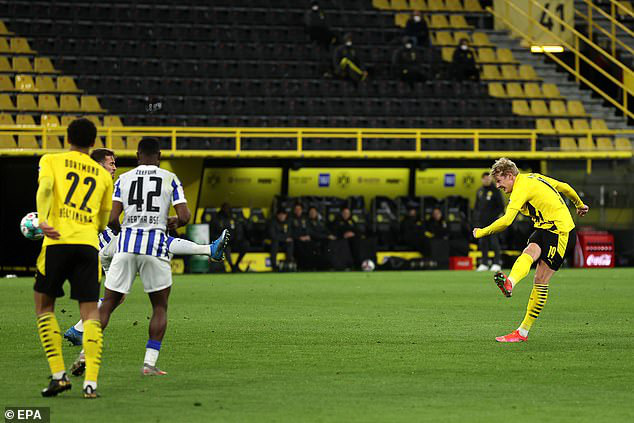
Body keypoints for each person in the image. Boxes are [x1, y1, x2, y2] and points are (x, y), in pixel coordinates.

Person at [65, 149, 229, 375]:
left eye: (114, 163)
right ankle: (209, 249)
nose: (114, 167)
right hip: (105, 242)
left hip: (105, 247)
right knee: (158, 239)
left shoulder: (97, 183)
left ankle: (78, 330)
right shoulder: (100, 184)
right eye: (110, 163)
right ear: (98, 164)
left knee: (118, 297)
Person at [32, 118, 113, 398]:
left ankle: (59, 376)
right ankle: (91, 383)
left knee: (45, 306)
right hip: (88, 245)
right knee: (90, 313)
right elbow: (104, 220)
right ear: (93, 143)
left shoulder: (51, 160)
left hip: (57, 241)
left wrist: (43, 220)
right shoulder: (103, 175)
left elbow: (44, 190)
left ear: (67, 139)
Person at [473, 158, 589, 343]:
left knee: (540, 279)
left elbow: (506, 221)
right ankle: (510, 282)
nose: (497, 185)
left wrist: (481, 232)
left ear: (510, 175)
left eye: (499, 180)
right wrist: (579, 204)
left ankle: (523, 332)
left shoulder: (521, 188)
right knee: (529, 252)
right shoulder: (533, 177)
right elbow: (564, 187)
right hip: (544, 228)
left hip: (561, 232)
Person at [474, 172, 505, 271]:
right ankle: (484, 263)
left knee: (494, 242)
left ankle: (496, 263)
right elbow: (476, 207)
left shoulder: (496, 191)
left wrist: (493, 218)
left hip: (493, 222)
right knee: (483, 242)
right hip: (482, 223)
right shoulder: (480, 191)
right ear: (482, 180)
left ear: (491, 179)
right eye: (485, 179)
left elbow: (501, 207)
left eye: (488, 179)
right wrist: (477, 219)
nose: (486, 180)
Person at [211, 203, 250, 272]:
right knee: (226, 246)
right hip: (224, 240)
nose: (227, 210)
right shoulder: (218, 218)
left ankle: (236, 265)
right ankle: (231, 266)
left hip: (234, 240)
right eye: (225, 208)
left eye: (228, 208)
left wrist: (238, 237)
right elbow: (215, 231)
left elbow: (238, 229)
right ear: (222, 209)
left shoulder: (233, 217)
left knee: (246, 244)